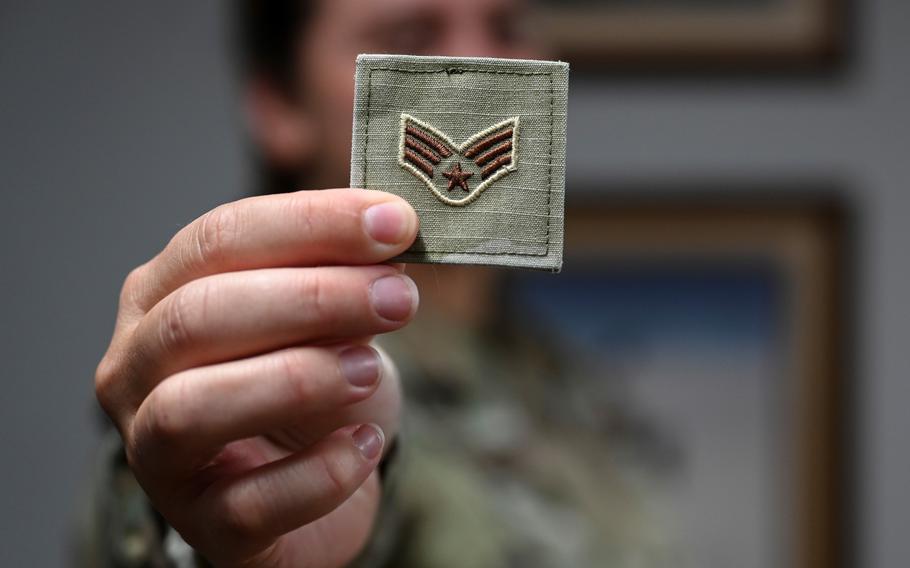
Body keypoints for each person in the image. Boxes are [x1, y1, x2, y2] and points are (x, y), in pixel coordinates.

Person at [82, 1, 657, 566]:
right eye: (411, 35)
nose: (477, 62)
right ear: (279, 103)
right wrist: (225, 528)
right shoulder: (261, 374)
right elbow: (171, 515)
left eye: (506, 26)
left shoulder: (562, 377)